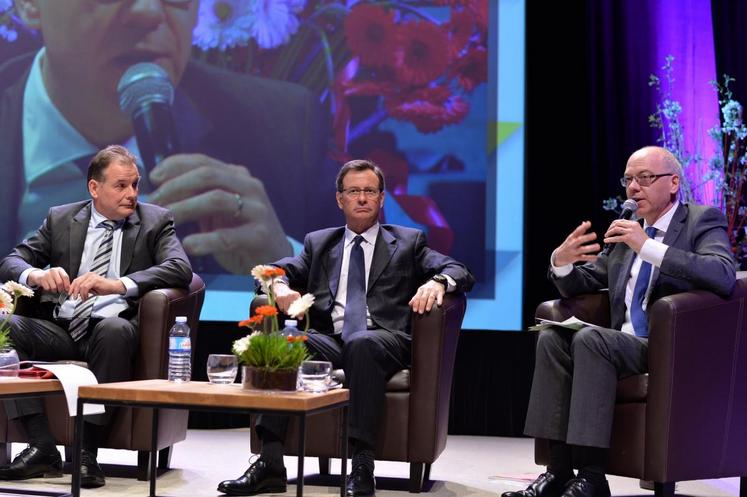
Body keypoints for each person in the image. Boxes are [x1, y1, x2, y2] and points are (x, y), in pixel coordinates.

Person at [0, 0, 335, 275]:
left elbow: (363, 315)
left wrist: (285, 270)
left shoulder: (280, 127)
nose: (148, 11)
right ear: (30, 5)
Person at [217, 159, 475, 497]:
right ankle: (270, 463)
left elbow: (459, 269)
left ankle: (362, 464)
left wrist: (439, 282)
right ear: (340, 199)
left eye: (370, 191)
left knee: (363, 344)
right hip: (332, 339)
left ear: (382, 199)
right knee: (283, 341)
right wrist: (277, 286)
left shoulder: (408, 242)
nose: (363, 198)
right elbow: (271, 269)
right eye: (354, 191)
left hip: (385, 339)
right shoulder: (319, 243)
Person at [504, 146, 736, 497]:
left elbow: (722, 274)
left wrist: (649, 248)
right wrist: (561, 262)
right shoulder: (628, 234)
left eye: (645, 178)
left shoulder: (701, 220)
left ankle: (593, 476)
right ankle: (557, 471)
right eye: (629, 179)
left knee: (590, 340)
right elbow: (586, 281)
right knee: (552, 336)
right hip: (620, 345)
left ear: (673, 183)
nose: (633, 188)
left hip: (669, 347)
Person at [0, 145, 192, 489]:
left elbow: (180, 269)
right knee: (5, 327)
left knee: (115, 330)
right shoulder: (60, 218)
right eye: (121, 186)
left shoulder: (155, 221)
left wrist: (118, 285)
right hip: (61, 326)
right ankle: (41, 445)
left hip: (112, 330)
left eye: (135, 184)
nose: (131, 194)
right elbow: (12, 261)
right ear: (94, 188)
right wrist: (36, 276)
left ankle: (86, 451)